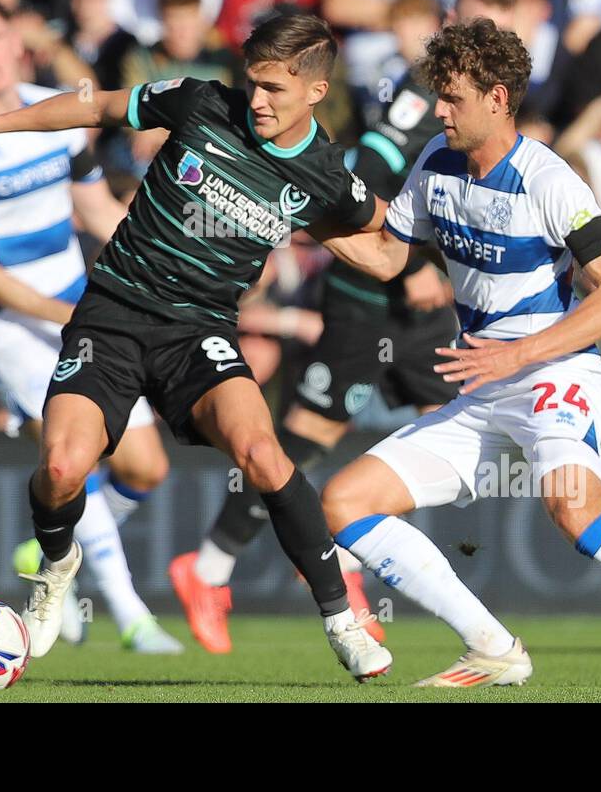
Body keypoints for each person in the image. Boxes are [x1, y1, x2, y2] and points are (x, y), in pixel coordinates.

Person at [0, 12, 394, 680]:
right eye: (252, 82)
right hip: (112, 315)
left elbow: (384, 242)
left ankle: (341, 621)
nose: (256, 99)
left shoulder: (324, 173)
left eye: (273, 89)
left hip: (198, 333)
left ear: (315, 92)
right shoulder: (202, 102)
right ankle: (56, 571)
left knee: (264, 454)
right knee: (61, 467)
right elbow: (96, 106)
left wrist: (431, 239)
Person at [315, 18, 601, 689]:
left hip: (552, 371)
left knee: (576, 510)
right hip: (483, 382)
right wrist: (303, 218)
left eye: (453, 98)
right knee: (344, 503)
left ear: (498, 98)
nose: (438, 109)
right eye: (437, 94)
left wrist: (517, 354)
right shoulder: (434, 164)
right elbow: (386, 256)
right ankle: (492, 646)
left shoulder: (548, 179)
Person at [169, 54, 459, 655]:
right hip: (366, 303)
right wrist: (405, 270)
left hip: (423, 314)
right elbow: (363, 172)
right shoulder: (426, 97)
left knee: (457, 432)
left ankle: (347, 541)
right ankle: (216, 567)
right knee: (299, 441)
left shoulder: (488, 102)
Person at [0, 0, 181, 655]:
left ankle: (51, 546)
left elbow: (96, 209)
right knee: (71, 458)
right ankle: (133, 618)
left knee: (146, 467)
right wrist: (72, 313)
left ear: (17, 42)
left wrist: (163, 264)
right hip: (3, 323)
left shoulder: (57, 112)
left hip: (74, 304)